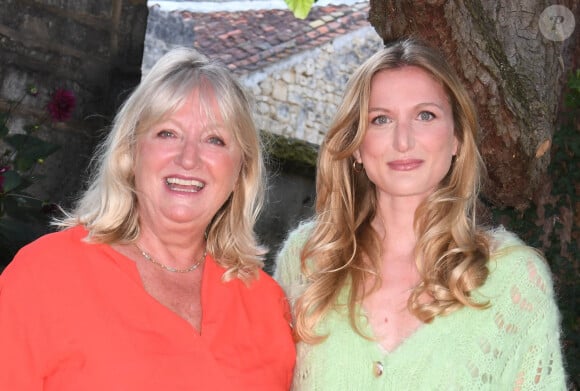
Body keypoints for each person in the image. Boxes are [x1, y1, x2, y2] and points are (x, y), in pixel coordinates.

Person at [274, 37, 567, 390]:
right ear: (356, 147)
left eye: (425, 115)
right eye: (381, 119)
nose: (403, 141)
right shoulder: (306, 260)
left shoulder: (513, 279)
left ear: (457, 137)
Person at [0, 47, 295, 390]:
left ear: (241, 169)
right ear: (130, 152)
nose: (189, 159)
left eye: (215, 140)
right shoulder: (45, 274)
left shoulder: (268, 305)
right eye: (167, 133)